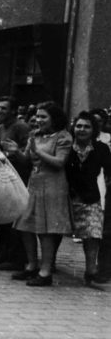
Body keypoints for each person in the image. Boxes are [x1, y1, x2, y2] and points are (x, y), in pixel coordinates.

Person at [5, 101, 72, 287]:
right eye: (37, 116)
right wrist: (15, 152)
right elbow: (27, 159)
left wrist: (37, 152)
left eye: (43, 116)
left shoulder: (63, 137)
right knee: (25, 225)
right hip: (34, 185)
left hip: (53, 187)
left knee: (46, 230)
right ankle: (31, 265)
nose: (38, 120)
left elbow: (59, 162)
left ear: (54, 119)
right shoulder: (34, 135)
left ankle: (45, 271)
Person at [65, 111, 111, 285]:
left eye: (86, 126)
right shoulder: (66, 146)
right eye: (79, 126)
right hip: (67, 196)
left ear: (94, 130)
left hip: (90, 197)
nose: (82, 130)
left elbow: (109, 170)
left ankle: (91, 269)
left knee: (92, 233)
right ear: (73, 127)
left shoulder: (101, 149)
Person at [0, 96, 30, 271]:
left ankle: (16, 258)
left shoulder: (21, 127)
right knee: (4, 217)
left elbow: (27, 152)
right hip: (5, 177)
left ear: (13, 111)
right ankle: (3, 255)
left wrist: (16, 152)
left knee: (15, 219)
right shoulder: (1, 127)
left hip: (19, 178)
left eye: (4, 108)